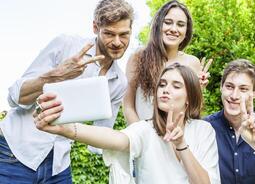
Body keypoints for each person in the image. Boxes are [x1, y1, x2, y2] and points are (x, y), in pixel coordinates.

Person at [0, 0, 133, 183]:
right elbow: (14, 97)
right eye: (109, 33)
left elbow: (101, 135)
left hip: (59, 164)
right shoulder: (66, 45)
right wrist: (57, 75)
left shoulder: (119, 82)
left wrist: (135, 145)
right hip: (14, 154)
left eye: (124, 34)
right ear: (95, 28)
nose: (118, 42)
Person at [34, 63, 221, 184]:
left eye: (176, 86)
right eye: (162, 84)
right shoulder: (146, 129)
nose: (165, 90)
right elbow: (116, 138)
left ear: (189, 97)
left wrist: (181, 145)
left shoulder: (203, 130)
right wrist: (64, 128)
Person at [124, 0, 212, 125]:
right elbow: (128, 105)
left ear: (187, 31)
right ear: (158, 25)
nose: (173, 29)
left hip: (177, 137)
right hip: (142, 137)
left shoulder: (192, 63)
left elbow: (192, 112)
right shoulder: (138, 57)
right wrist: (141, 136)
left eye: (181, 24)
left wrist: (197, 92)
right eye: (168, 22)